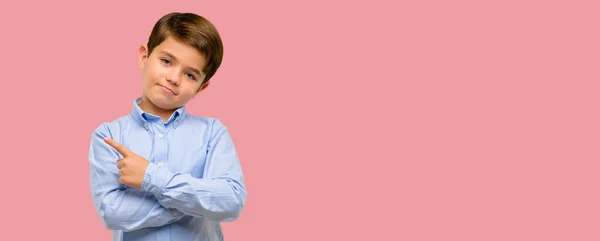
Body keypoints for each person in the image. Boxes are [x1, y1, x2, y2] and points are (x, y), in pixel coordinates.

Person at [88, 12, 247, 241]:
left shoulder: (213, 133)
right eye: (166, 61)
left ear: (201, 88)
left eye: (190, 75)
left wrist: (151, 177)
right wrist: (195, 203)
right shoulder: (109, 135)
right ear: (144, 56)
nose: (174, 78)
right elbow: (111, 212)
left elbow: (231, 201)